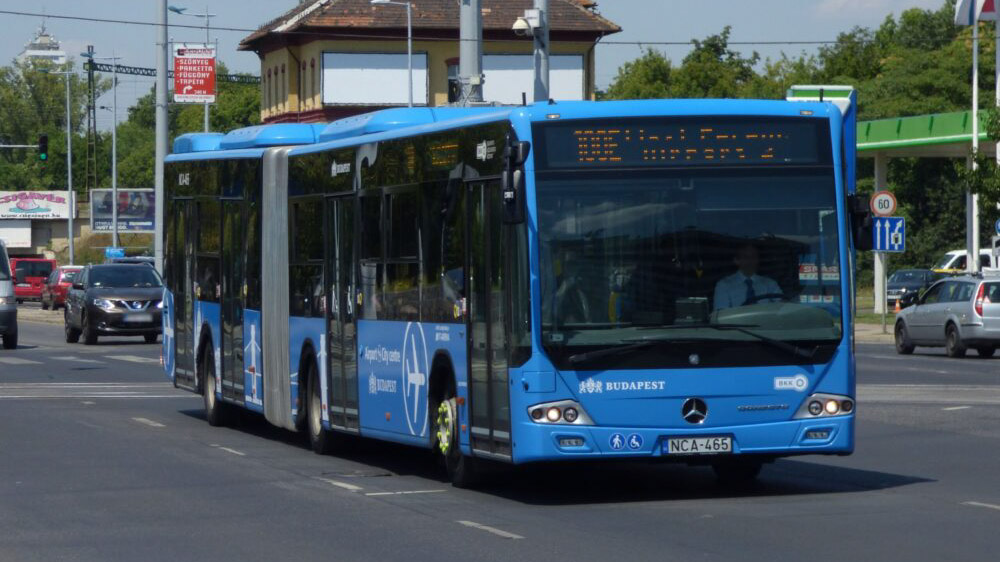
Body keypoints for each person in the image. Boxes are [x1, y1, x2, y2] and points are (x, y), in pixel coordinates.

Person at [713, 243, 782, 311]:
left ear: (758, 260)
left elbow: (782, 309)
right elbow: (721, 316)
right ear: (736, 260)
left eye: (754, 257)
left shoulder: (770, 284)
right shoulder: (724, 285)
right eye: (746, 257)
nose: (750, 261)